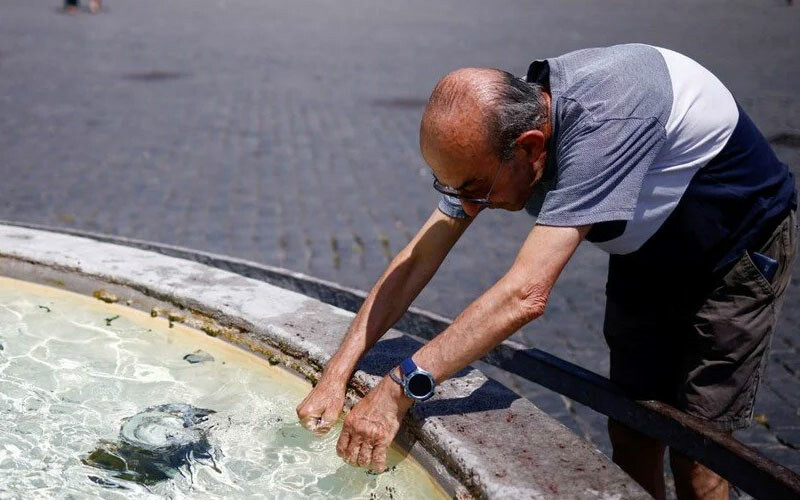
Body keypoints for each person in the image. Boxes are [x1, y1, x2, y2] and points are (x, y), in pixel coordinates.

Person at [295, 43, 797, 500]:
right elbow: (415, 261)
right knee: (631, 427)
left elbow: (525, 295)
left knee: (698, 450)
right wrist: (336, 374)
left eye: (475, 190)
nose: (467, 205)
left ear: (533, 148)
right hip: (646, 250)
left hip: (734, 255)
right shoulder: (506, 130)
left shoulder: (603, 126)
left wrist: (398, 388)